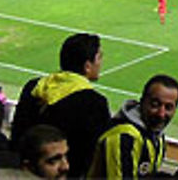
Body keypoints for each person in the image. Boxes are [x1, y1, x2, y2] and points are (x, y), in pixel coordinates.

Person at [10, 33, 110, 179]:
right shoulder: (94, 103)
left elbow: (17, 134)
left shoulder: (34, 86)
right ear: (87, 66)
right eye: (99, 57)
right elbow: (94, 155)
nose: (101, 62)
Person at [87, 74, 178, 180]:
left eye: (168, 107)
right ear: (142, 101)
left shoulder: (157, 137)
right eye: (155, 104)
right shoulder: (123, 137)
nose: (161, 113)